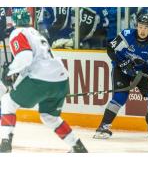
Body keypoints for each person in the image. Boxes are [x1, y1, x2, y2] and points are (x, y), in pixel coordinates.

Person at [0, 8, 88, 153]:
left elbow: (25, 57)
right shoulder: (36, 33)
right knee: (49, 116)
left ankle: (5, 144)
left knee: (8, 102)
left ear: (14, 22)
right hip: (61, 79)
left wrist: (10, 71)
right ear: (29, 20)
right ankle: (77, 146)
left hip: (40, 79)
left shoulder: (17, 33)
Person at [93, 13, 148, 139]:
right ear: (136, 26)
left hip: (142, 71)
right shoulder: (126, 35)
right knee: (120, 97)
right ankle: (103, 126)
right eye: (141, 26)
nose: (143, 30)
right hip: (122, 70)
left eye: (146, 27)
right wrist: (122, 64)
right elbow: (110, 49)